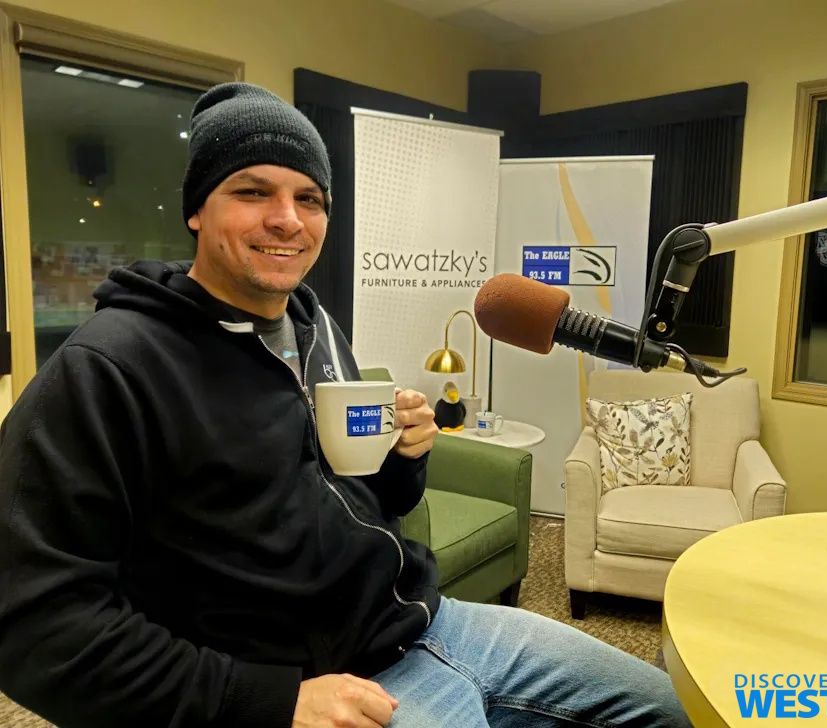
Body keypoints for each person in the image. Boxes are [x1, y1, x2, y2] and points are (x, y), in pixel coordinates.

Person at [0, 82, 690, 728]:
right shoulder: (109, 368)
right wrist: (269, 703)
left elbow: (358, 495)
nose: (286, 219)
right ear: (196, 207)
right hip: (317, 686)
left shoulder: (313, 324)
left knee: (672, 707)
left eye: (310, 198)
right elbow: (34, 630)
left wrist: (403, 460)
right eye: (252, 191)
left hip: (433, 622)